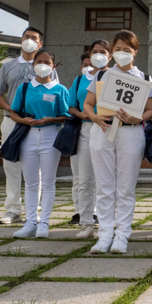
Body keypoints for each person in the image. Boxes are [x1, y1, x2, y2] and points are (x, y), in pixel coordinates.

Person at [83, 30, 152, 254]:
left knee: (125, 187)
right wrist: (93, 116)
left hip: (131, 134)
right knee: (104, 186)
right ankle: (105, 234)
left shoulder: (144, 78)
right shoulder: (101, 76)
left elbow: (151, 109)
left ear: (135, 52)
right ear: (111, 52)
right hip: (102, 132)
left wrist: (139, 118)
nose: (122, 53)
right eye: (118, 49)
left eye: (127, 49)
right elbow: (87, 104)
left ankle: (122, 234)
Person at [0, 26, 58, 225]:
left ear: (40, 43)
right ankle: (12, 209)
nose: (29, 40)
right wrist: (10, 108)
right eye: (26, 37)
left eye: (34, 38)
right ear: (21, 40)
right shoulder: (8, 66)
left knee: (34, 168)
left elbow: (55, 95)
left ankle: (33, 211)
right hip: (12, 121)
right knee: (10, 165)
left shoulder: (47, 67)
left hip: (38, 125)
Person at [11, 50, 70, 238]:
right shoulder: (25, 88)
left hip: (51, 135)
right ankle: (30, 222)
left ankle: (44, 223)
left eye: (47, 62)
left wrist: (50, 119)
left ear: (54, 66)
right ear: (33, 64)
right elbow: (14, 112)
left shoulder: (60, 89)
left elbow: (66, 116)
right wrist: (24, 121)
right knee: (30, 183)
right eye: (39, 61)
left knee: (48, 182)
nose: (43, 65)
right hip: (28, 135)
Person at [68, 42, 110, 239]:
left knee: (107, 181)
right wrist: (84, 114)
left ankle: (108, 223)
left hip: (110, 130)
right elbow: (72, 106)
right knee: (85, 179)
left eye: (103, 52)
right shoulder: (80, 80)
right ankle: (86, 222)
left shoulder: (116, 77)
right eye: (95, 52)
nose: (99, 55)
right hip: (86, 130)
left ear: (110, 56)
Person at [68, 52, 92, 226]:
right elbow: (71, 107)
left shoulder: (109, 79)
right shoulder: (78, 82)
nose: (89, 67)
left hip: (104, 128)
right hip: (81, 130)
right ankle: (79, 212)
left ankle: (96, 212)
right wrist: (80, 113)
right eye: (85, 64)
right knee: (79, 176)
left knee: (101, 176)